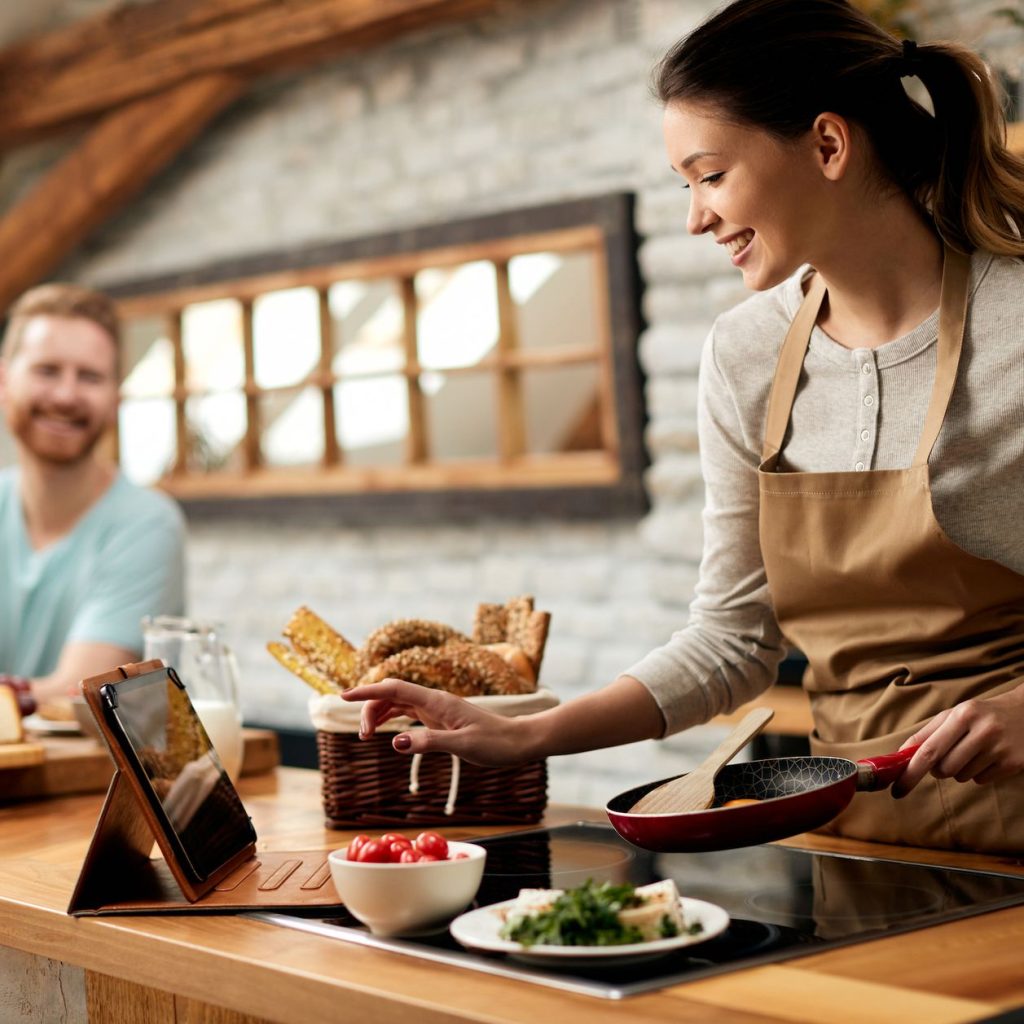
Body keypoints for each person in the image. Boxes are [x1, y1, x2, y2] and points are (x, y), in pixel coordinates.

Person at [344, 0, 1024, 852]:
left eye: (710, 175)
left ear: (827, 146)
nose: (695, 217)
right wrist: (529, 731)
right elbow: (733, 640)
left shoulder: (1018, 328)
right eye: (686, 185)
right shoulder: (746, 354)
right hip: (858, 843)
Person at [0, 283, 186, 706]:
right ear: (4, 382)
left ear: (115, 397)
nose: (66, 395)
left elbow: (82, 692)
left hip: (92, 773)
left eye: (90, 376)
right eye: (47, 370)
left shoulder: (147, 524)